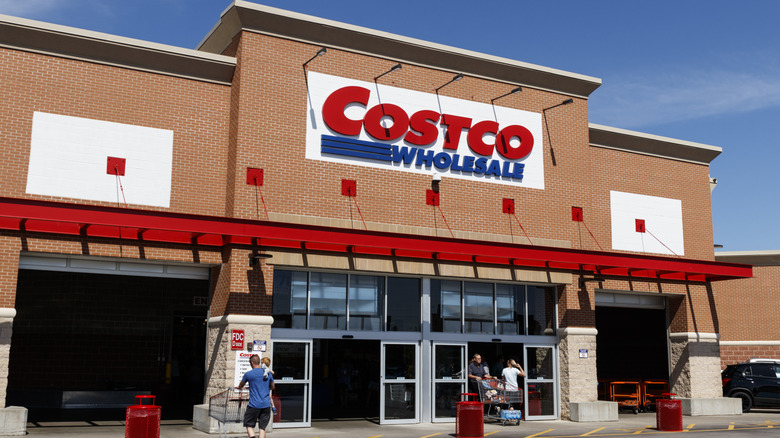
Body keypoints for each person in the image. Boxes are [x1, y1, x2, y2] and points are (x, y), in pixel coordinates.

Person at [237, 354, 275, 438]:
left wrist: (240, 388)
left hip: (254, 405)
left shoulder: (248, 374)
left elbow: (241, 385)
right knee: (262, 428)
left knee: (249, 425)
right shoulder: (268, 373)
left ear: (252, 362)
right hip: (266, 405)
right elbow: (272, 386)